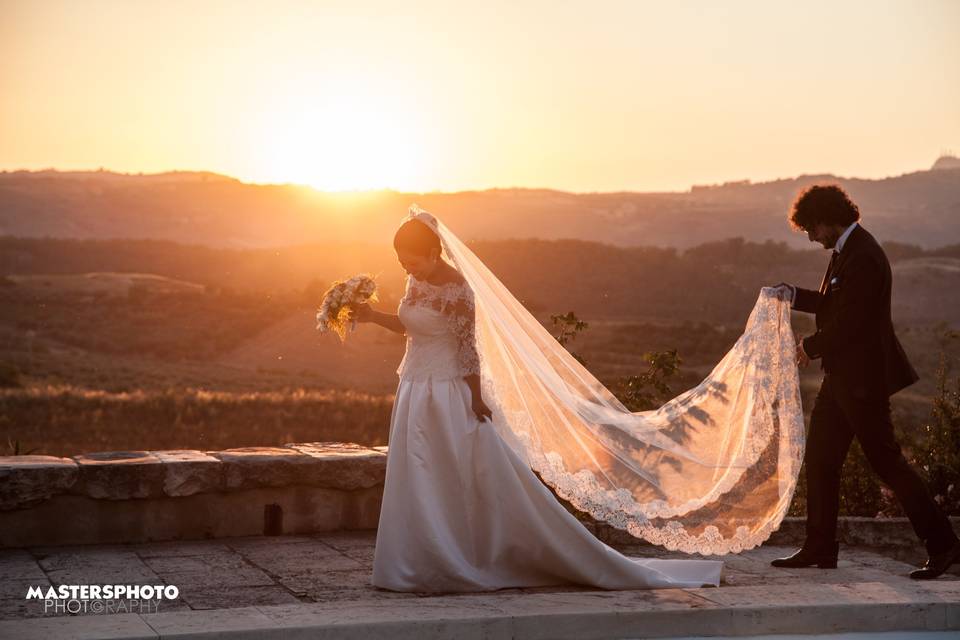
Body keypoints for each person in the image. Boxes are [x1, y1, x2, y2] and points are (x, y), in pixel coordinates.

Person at [354, 207, 725, 592]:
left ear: (433, 253)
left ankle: (458, 555)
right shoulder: (417, 281)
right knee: (416, 473)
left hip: (448, 392)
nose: (407, 269)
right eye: (402, 262)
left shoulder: (458, 289)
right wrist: (370, 316)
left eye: (412, 261)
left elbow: (468, 349)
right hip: (414, 386)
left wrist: (476, 397)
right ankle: (415, 560)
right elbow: (411, 325)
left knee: (450, 473)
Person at [771, 184, 960, 579]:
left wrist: (810, 345)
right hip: (841, 381)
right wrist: (791, 295)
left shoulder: (865, 255)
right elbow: (832, 304)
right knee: (822, 460)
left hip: (862, 383)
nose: (810, 237)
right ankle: (820, 546)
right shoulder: (847, 251)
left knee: (887, 463)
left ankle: (944, 545)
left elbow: (852, 322)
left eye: (810, 228)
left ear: (826, 219)